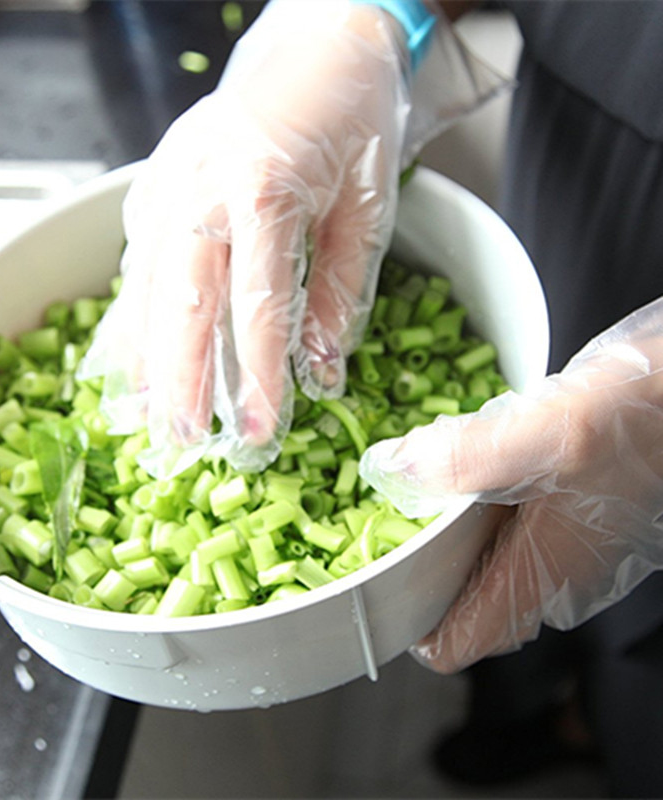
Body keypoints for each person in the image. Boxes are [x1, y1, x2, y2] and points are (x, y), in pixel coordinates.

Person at [81, 1, 663, 796]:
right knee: (521, 509)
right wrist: (359, 14)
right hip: (584, 136)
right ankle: (538, 714)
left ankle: (606, 730)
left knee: (646, 664)